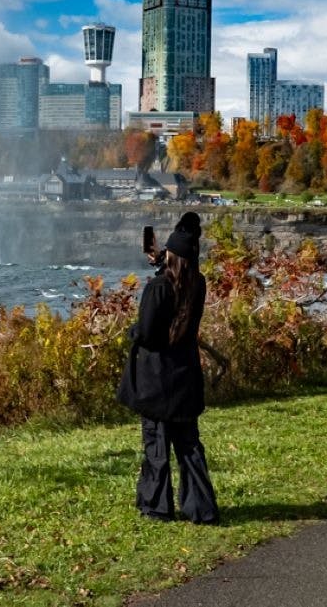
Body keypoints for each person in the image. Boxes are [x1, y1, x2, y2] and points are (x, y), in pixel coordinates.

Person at [131, 221, 218, 524]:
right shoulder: (199, 283)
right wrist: (165, 262)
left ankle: (156, 505)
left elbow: (146, 333)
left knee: (156, 445)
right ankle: (201, 507)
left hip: (156, 380)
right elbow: (178, 286)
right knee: (189, 445)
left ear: (171, 255)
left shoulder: (158, 288)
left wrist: (132, 332)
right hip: (185, 376)